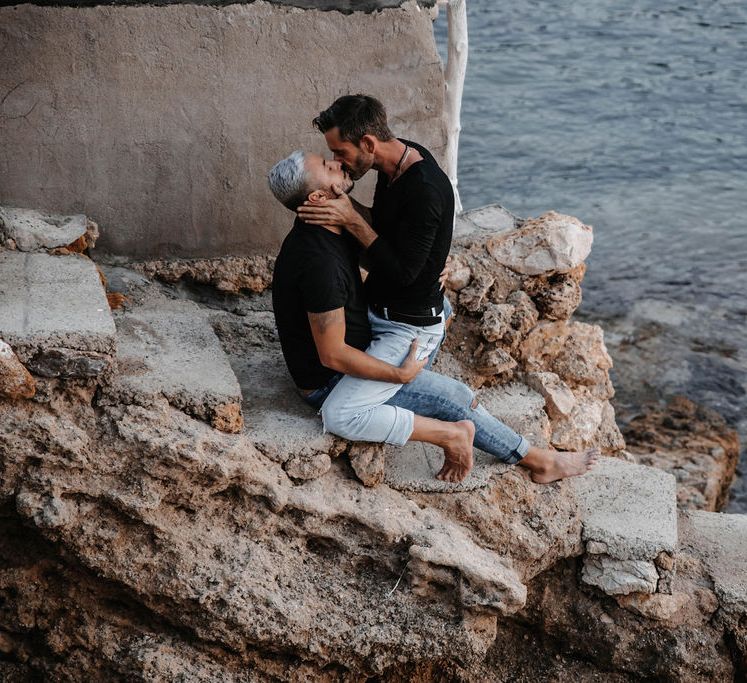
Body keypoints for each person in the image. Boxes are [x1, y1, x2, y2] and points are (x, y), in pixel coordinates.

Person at [268, 150, 599, 483]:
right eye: (328, 167)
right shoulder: (317, 262)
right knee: (451, 399)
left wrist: (428, 272)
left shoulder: (329, 227)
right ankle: (531, 458)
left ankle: (470, 426)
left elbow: (383, 263)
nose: (338, 162)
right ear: (317, 197)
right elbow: (333, 354)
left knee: (439, 314)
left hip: (361, 348)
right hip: (331, 382)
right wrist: (398, 374)